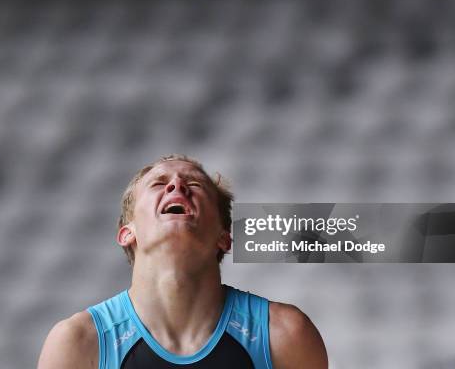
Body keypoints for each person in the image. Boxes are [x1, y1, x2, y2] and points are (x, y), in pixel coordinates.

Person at [38, 154, 327, 368]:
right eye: (159, 184)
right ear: (127, 233)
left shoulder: (286, 334)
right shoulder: (78, 343)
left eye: (194, 184)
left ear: (224, 237)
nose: (177, 186)